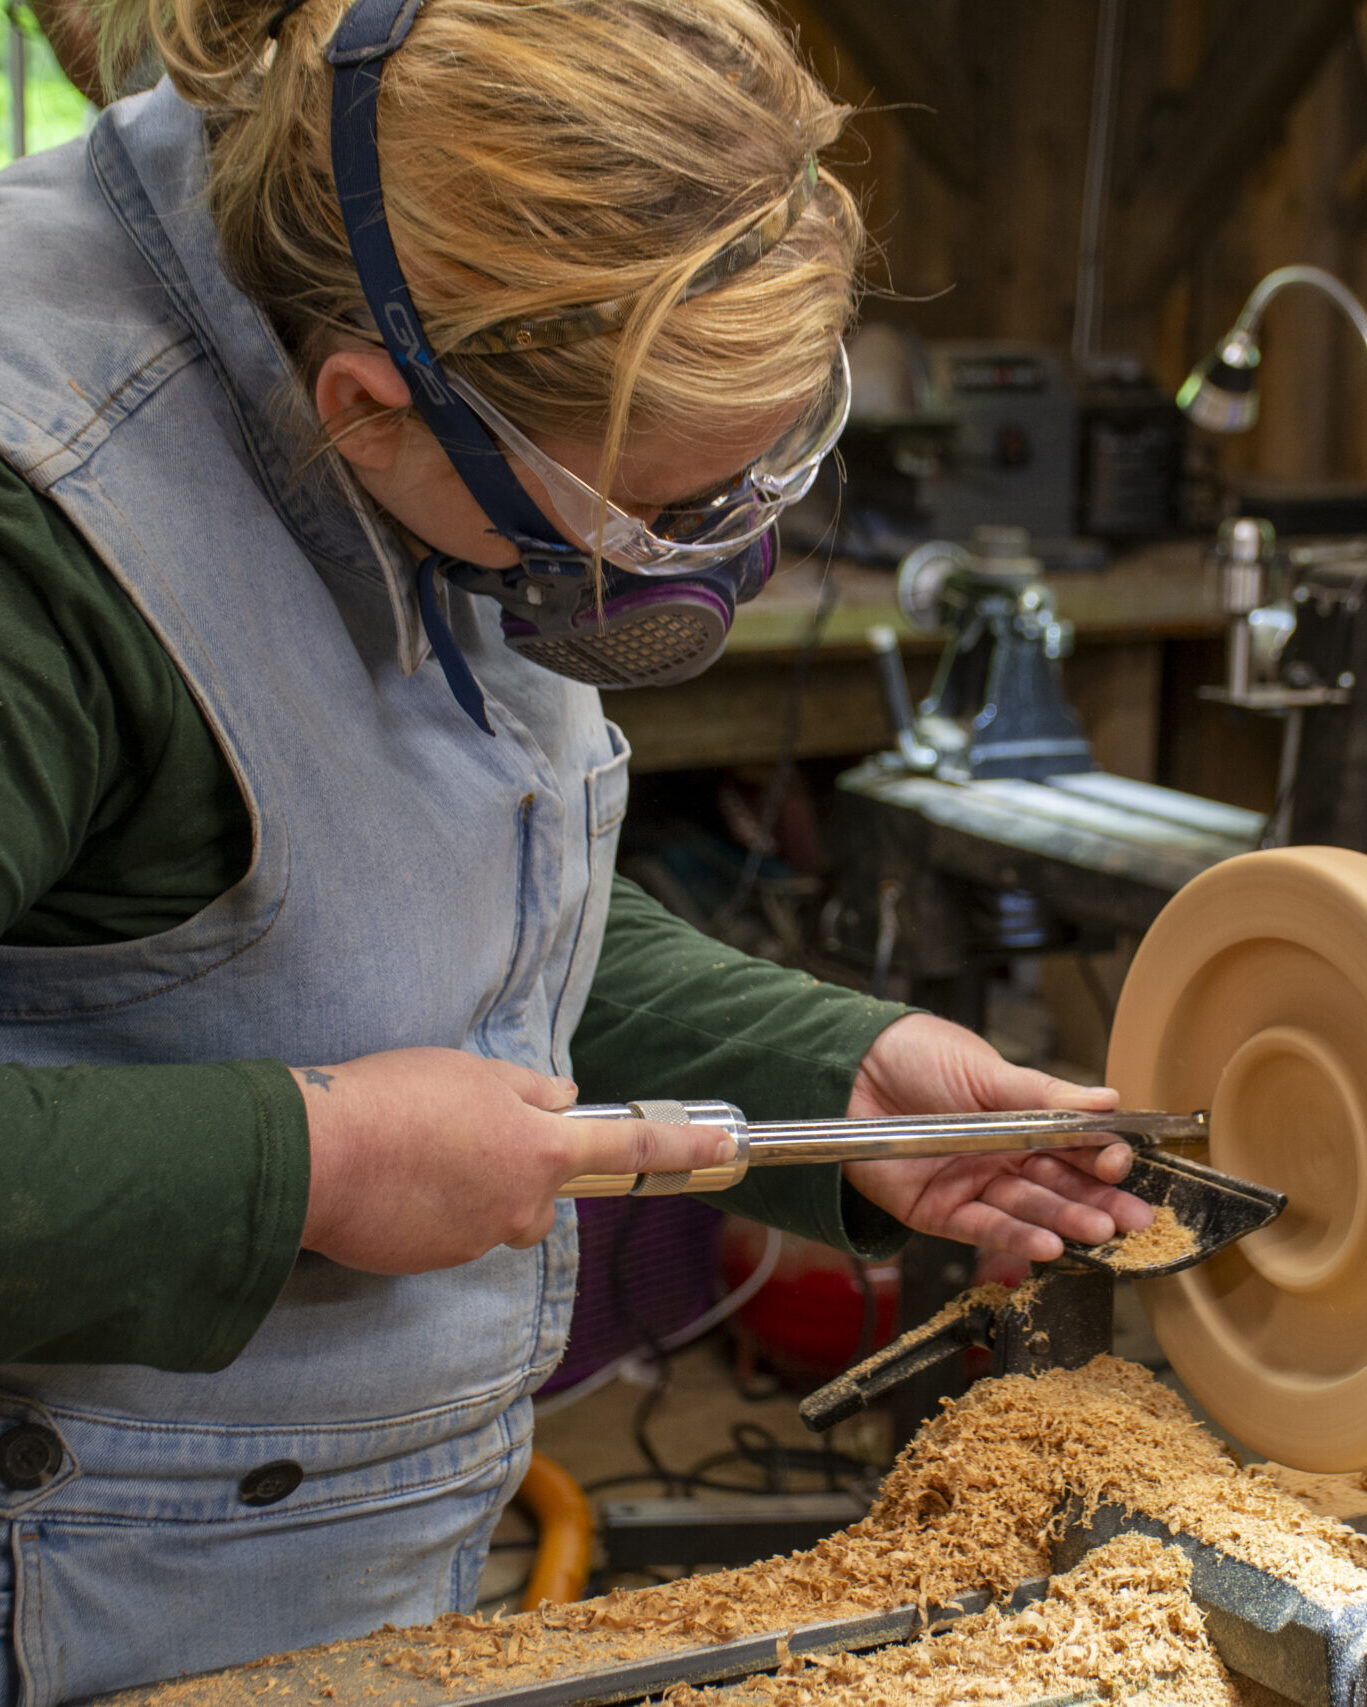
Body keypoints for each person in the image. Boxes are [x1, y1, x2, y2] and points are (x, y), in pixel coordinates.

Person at [0, 0, 1151, 1699]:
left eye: (763, 476)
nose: (723, 561)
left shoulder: (419, 265)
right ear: (370, 412)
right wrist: (309, 1164)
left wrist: (828, 1071)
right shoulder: (48, 524)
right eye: (663, 514)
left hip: (334, 1556)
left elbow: (419, 903)